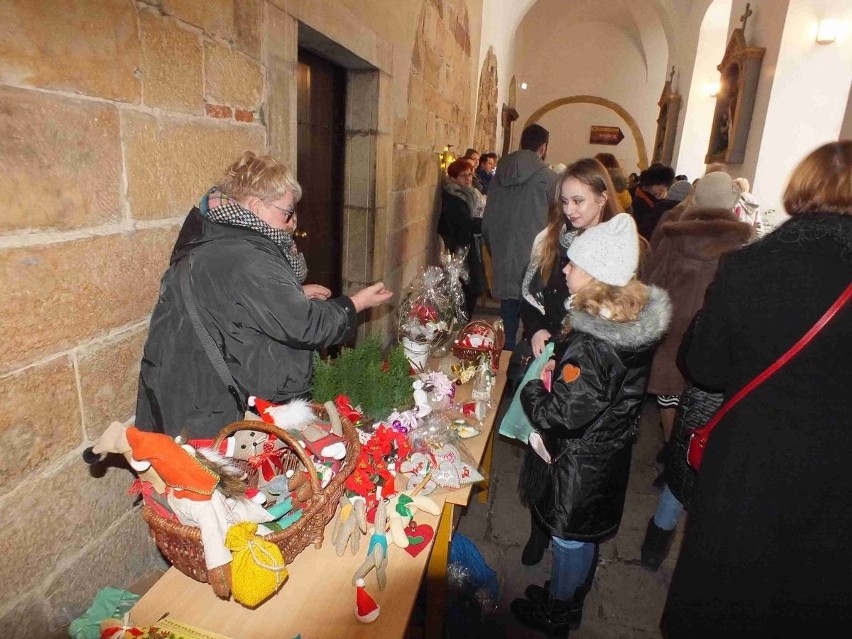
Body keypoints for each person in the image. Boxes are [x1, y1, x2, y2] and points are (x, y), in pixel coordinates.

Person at [660, 140, 852, 637]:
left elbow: (704, 367)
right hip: (838, 476)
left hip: (750, 464)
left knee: (729, 596)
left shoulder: (749, 265)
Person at [135, 151, 393, 439]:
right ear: (257, 206)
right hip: (216, 406)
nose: (293, 222)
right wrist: (355, 303)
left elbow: (233, 303)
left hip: (195, 391)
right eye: (287, 212)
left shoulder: (220, 236)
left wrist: (294, 294)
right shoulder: (250, 257)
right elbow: (306, 326)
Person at [511, 213, 672, 636]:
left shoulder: (596, 343)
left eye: (574, 264)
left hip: (579, 461)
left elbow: (559, 414)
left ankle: (558, 613)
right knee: (580, 538)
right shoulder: (618, 324)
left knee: (569, 540)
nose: (564, 268)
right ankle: (567, 595)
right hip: (603, 451)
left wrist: (531, 386)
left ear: (598, 276)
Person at [640, 172, 754, 571]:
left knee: (671, 399)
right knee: (703, 412)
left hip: (674, 335)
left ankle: (672, 453)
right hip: (713, 346)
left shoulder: (673, 233)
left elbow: (651, 283)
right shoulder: (744, 244)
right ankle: (683, 464)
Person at [513, 157, 623, 566]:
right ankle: (539, 529)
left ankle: (573, 545)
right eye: (565, 202)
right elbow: (528, 293)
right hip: (549, 353)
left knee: (574, 462)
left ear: (602, 197)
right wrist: (538, 328)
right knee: (541, 447)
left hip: (587, 364)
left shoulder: (618, 248)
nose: (571, 210)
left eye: (579, 200)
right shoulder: (549, 238)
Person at [482, 124, 558, 350]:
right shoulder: (549, 179)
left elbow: (487, 221)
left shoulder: (497, 177)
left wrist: (495, 248)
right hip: (535, 260)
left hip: (504, 255)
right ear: (543, 147)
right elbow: (556, 224)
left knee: (508, 320)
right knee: (534, 321)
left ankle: (504, 362)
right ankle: (524, 366)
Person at [438, 159, 487, 320]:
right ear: (453, 178)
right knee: (467, 288)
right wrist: (485, 223)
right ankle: (461, 323)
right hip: (462, 247)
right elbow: (464, 223)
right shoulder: (454, 197)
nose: (468, 178)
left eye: (470, 174)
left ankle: (463, 321)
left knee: (472, 288)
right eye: (463, 175)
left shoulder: (472, 194)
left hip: (472, 244)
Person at [632, 164, 675, 239]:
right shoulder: (637, 199)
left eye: (665, 186)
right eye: (659, 185)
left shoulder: (663, 200)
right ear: (649, 184)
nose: (663, 189)